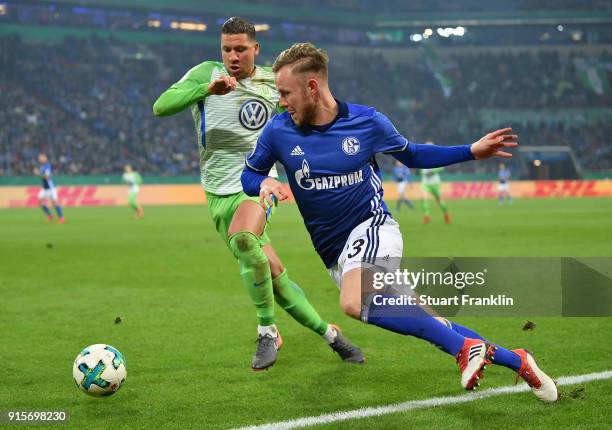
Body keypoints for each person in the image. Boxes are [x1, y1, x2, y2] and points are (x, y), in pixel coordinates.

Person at [241, 42, 557, 402]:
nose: (282, 101)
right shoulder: (278, 131)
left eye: (286, 93)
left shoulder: (367, 121)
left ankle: (464, 349)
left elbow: (413, 154)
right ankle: (517, 360)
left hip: (373, 228)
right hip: (335, 255)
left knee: (353, 301)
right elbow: (248, 174)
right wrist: (264, 181)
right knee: (429, 322)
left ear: (312, 87)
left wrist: (469, 151)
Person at [153, 18, 363, 370]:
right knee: (273, 275)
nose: (232, 56)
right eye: (226, 49)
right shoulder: (206, 74)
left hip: (256, 184)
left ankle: (266, 331)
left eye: (240, 49)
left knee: (245, 237)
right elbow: (162, 105)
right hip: (216, 194)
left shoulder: (272, 83)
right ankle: (332, 336)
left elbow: (305, 115)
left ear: (256, 49)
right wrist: (208, 90)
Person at [420, 145, 450, 224]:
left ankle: (446, 214)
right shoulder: (421, 158)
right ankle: (427, 216)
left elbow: (441, 167)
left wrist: (432, 171)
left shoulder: (436, 158)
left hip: (435, 183)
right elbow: (421, 170)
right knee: (424, 198)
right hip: (425, 183)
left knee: (440, 201)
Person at [33, 153, 64, 224]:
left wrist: (38, 173)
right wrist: (38, 173)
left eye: (41, 158)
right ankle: (50, 215)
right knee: (39, 202)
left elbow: (47, 177)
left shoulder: (47, 166)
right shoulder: (42, 166)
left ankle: (61, 218)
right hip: (44, 188)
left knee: (55, 202)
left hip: (50, 188)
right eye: (39, 158)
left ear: (45, 158)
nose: (40, 159)